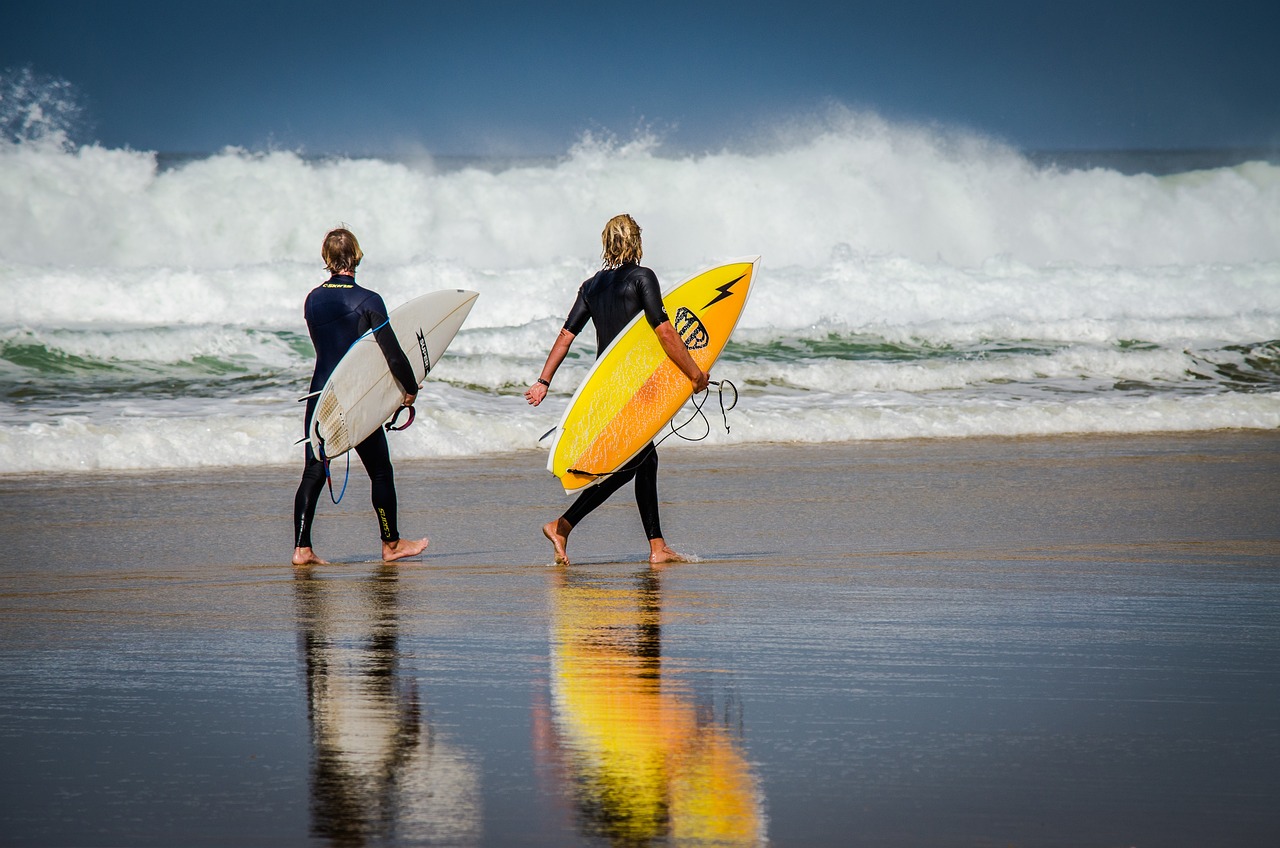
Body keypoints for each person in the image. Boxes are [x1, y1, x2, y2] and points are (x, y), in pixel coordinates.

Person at [525, 214, 709, 566]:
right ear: (637, 241)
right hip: (635, 388)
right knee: (631, 464)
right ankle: (562, 525)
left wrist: (543, 381)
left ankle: (657, 546)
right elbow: (664, 331)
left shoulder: (591, 286)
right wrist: (694, 374)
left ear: (606, 243)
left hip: (606, 388)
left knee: (645, 459)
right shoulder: (643, 278)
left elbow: (566, 335)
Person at [292, 228, 430, 566]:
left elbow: (327, 347)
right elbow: (392, 353)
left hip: (321, 394)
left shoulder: (312, 299)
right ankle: (391, 544)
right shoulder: (368, 300)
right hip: (355, 398)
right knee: (380, 472)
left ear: (327, 259)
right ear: (357, 255)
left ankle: (302, 549)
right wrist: (409, 388)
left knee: (314, 470)